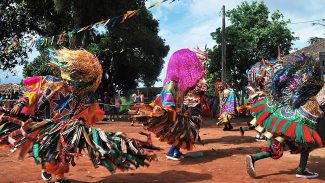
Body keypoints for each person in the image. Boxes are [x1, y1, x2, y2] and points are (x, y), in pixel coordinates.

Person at [0, 48, 154, 183]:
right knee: (49, 154)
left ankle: (60, 178)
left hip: (66, 131)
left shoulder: (84, 97)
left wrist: (80, 125)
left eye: (82, 80)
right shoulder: (50, 82)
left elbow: (86, 115)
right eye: (76, 78)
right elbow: (31, 94)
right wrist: (21, 103)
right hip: (43, 126)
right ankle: (47, 170)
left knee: (64, 155)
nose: (77, 84)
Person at [246, 54, 324, 179]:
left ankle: (300, 169)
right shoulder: (310, 91)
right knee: (301, 144)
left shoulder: (288, 92)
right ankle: (300, 170)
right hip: (294, 122)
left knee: (284, 146)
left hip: (280, 117)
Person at [136, 48, 208, 161]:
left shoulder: (181, 85)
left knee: (183, 134)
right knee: (179, 133)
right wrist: (173, 112)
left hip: (180, 113)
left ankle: (176, 152)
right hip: (172, 114)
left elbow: (181, 100)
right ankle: (171, 153)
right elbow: (167, 100)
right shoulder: (172, 83)